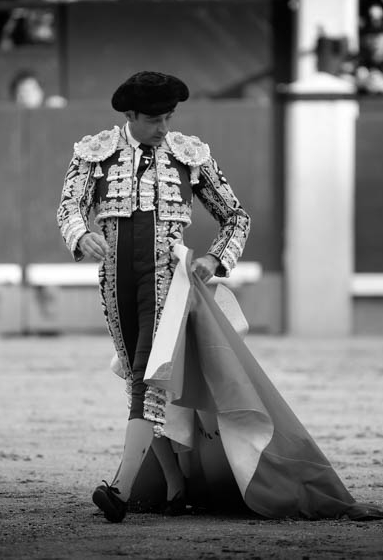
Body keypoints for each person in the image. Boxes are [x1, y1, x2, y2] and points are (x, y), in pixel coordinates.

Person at [56, 71, 251, 522]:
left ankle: (120, 490)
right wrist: (81, 234)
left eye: (169, 118)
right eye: (155, 120)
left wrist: (216, 259)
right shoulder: (95, 153)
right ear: (130, 116)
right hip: (114, 281)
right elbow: (69, 205)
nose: (164, 128)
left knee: (147, 373)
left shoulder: (189, 156)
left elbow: (236, 217)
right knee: (135, 377)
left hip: (167, 281)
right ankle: (175, 484)